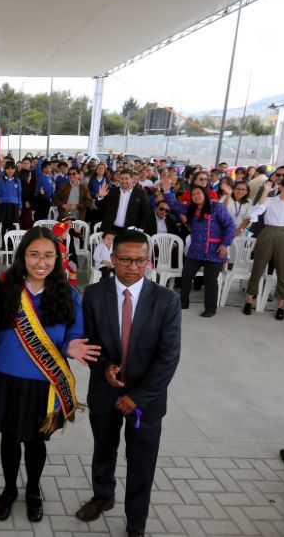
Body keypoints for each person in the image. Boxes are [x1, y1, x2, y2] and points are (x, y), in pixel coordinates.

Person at [0, 227, 99, 522]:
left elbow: (75, 331)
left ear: (57, 259)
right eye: (34, 255)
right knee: (9, 439)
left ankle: (33, 490)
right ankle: (9, 490)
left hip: (43, 383)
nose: (41, 262)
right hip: (5, 378)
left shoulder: (68, 293)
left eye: (48, 256)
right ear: (23, 256)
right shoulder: (5, 287)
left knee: (36, 442)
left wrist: (72, 346)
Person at [76, 230, 181, 537]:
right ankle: (102, 495)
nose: (133, 267)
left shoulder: (167, 300)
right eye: (125, 260)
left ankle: (136, 522)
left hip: (145, 402)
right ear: (113, 259)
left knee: (141, 462)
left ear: (148, 261)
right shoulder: (94, 294)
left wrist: (138, 397)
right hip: (104, 392)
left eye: (140, 260)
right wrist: (104, 367)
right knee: (103, 449)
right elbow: (88, 343)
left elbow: (168, 357)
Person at [163, 183, 235, 317]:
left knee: (210, 280)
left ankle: (210, 308)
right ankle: (183, 302)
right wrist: (167, 190)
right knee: (186, 276)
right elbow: (174, 205)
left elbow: (230, 226)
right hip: (196, 251)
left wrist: (225, 244)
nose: (196, 196)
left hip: (215, 251)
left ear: (205, 194)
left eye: (198, 193)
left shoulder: (216, 207)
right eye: (193, 194)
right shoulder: (191, 208)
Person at [244, 176, 284, 320]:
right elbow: (256, 210)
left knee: (283, 271)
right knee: (258, 268)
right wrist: (266, 191)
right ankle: (249, 301)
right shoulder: (270, 201)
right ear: (282, 187)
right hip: (268, 233)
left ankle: (281, 306)